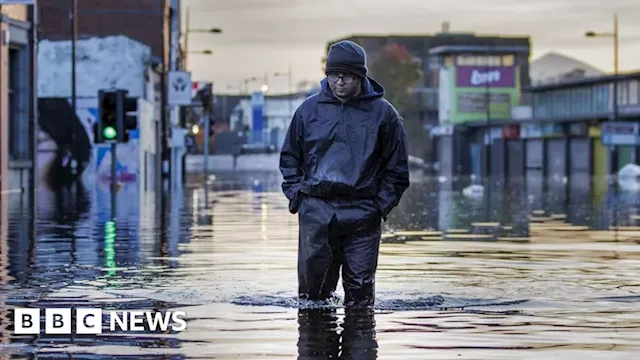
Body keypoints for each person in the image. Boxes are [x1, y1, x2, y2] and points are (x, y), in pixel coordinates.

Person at [279, 40, 410, 308]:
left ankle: (359, 343)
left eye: (347, 75)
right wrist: (298, 198)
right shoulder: (308, 111)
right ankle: (316, 346)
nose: (339, 81)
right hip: (316, 211)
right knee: (312, 298)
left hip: (363, 213)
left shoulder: (384, 115)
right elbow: (290, 158)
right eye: (333, 74)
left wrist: (379, 206)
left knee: (360, 298)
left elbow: (397, 169)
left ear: (360, 76)